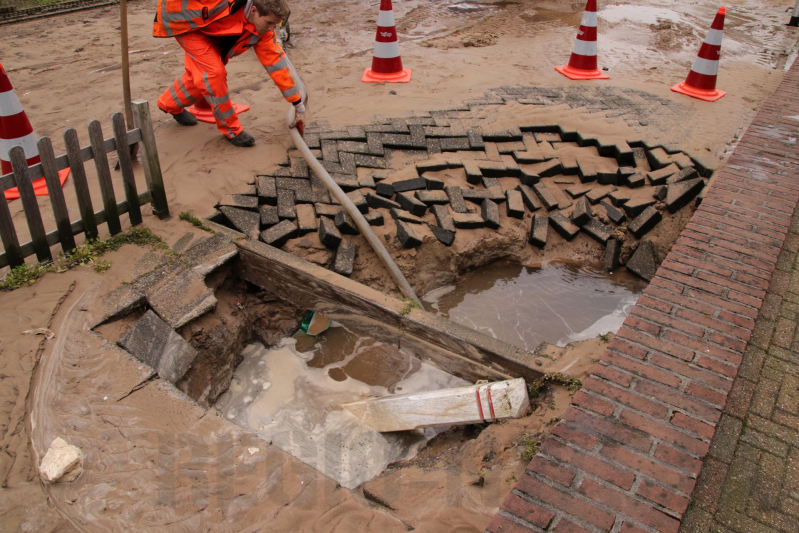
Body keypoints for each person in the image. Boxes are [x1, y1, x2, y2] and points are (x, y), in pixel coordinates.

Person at [153, 0, 305, 147]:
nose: (272, 29)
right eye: (268, 23)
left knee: (201, 76)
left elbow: (275, 64)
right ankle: (232, 130)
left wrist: (296, 101)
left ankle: (168, 104)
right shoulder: (223, 6)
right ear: (253, 10)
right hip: (185, 21)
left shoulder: (263, 30)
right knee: (214, 74)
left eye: (276, 24)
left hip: (211, 29)